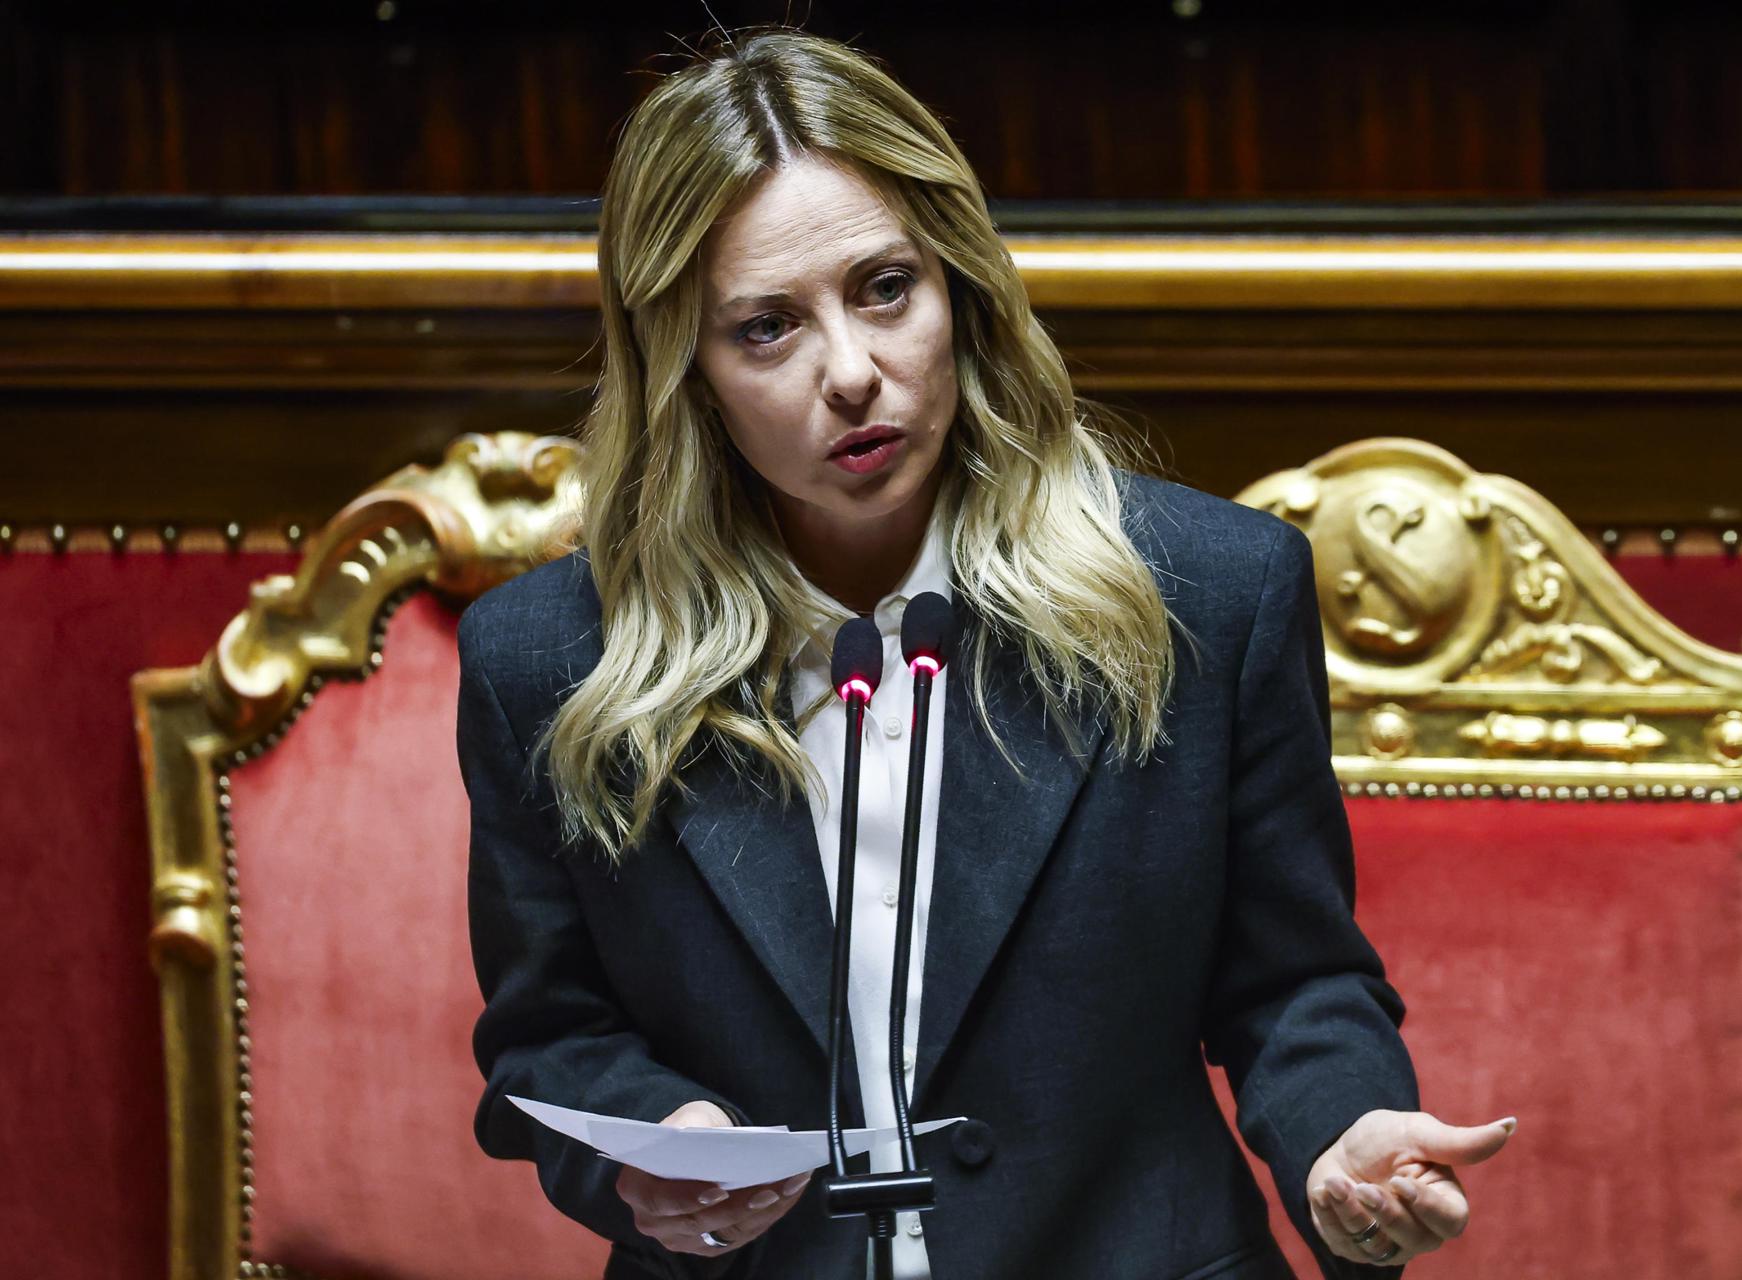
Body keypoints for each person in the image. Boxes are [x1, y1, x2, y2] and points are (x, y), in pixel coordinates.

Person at [456, 27, 1515, 1280]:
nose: (852, 372)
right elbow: (547, 1033)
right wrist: (655, 1143)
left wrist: (1343, 1139)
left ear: (959, 282)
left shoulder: (1209, 595)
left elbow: (1294, 984)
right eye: (766, 328)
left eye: (885, 288)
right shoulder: (549, 658)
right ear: (684, 366)